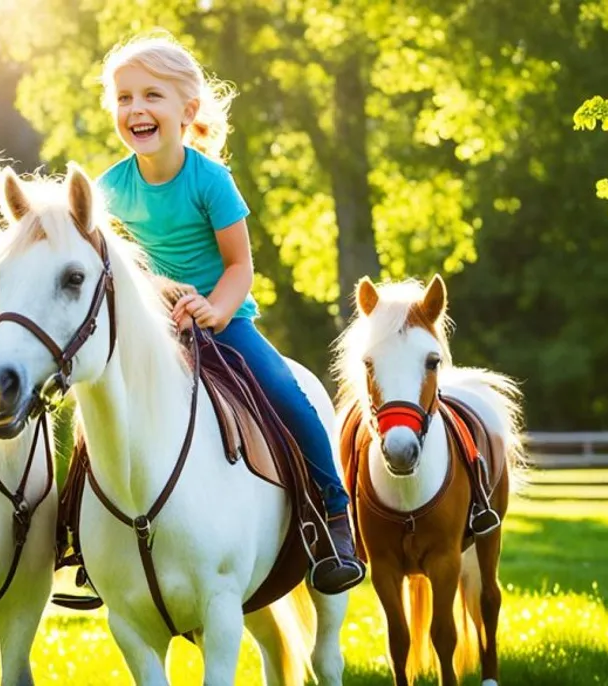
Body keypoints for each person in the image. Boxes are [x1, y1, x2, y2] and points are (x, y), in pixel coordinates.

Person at [95, 32, 365, 594]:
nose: (136, 109)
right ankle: (81, 536)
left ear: (186, 110)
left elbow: (240, 264)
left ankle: (333, 515)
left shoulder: (209, 180)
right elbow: (111, 271)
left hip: (225, 322)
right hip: (152, 331)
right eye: (124, 98)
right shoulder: (109, 191)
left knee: (284, 390)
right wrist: (158, 302)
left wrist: (215, 310)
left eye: (152, 96)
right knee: (97, 403)